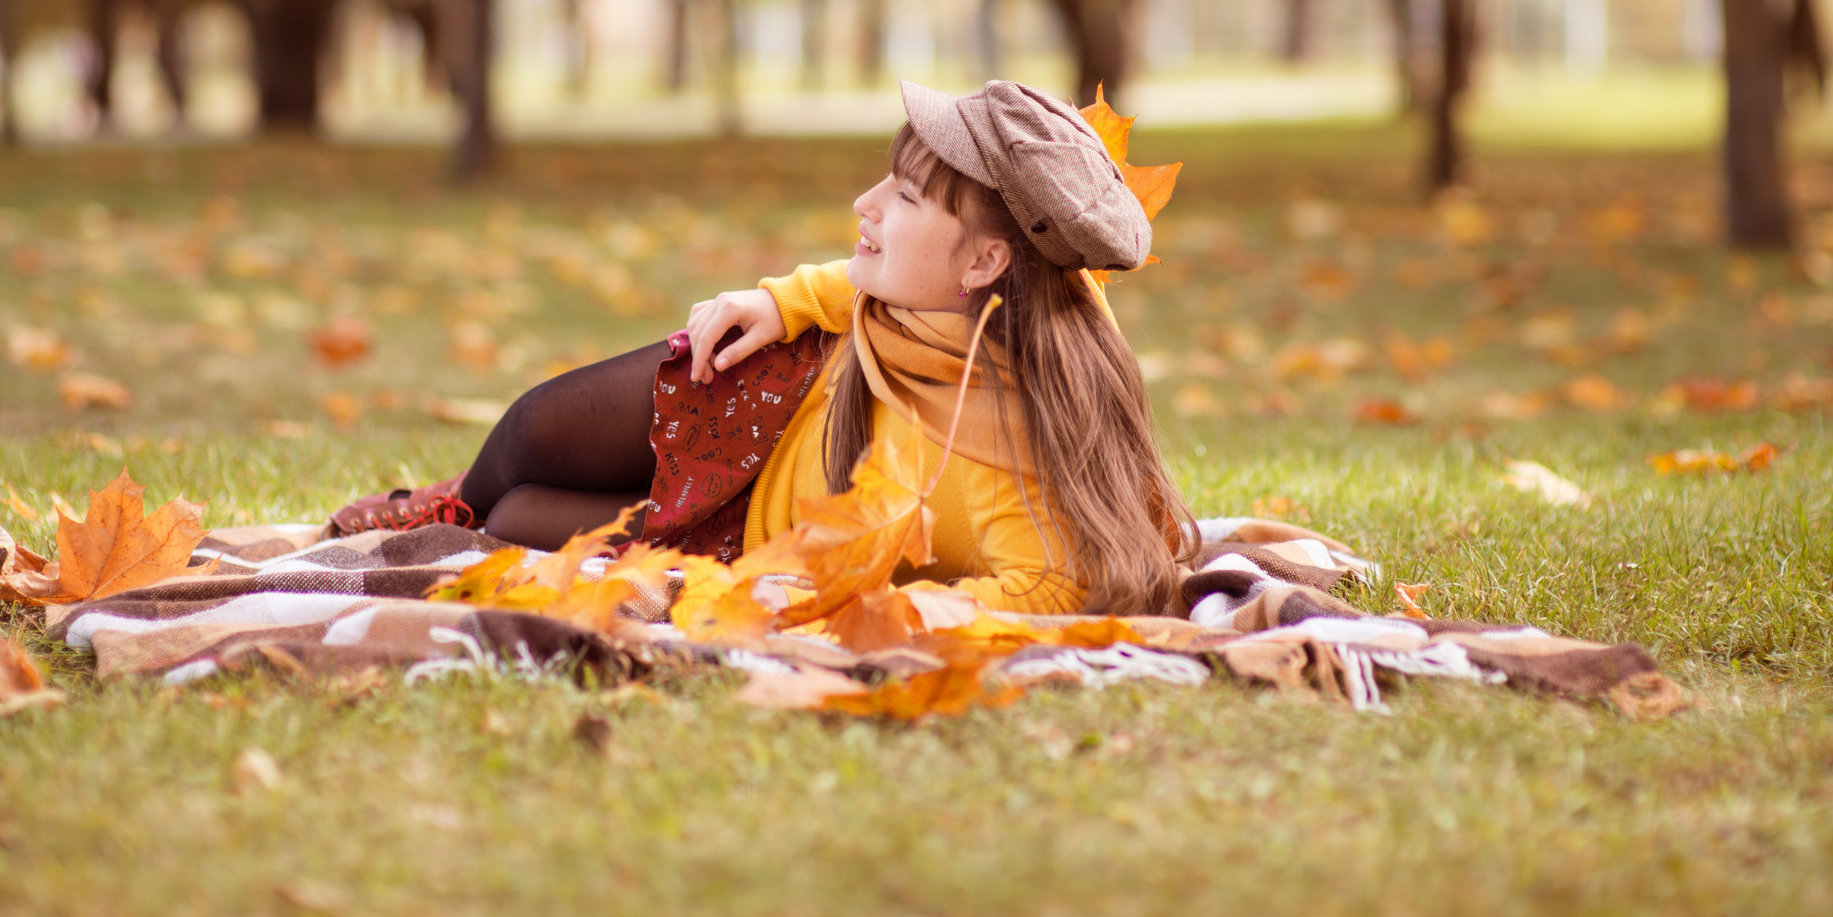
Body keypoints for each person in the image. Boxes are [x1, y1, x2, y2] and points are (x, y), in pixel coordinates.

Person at [330, 80, 1197, 615]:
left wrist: (890, 602)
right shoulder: (1027, 288)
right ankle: (448, 500)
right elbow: (864, 282)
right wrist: (781, 302)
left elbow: (1052, 583)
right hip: (788, 390)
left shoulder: (1016, 451)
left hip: (759, 535)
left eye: (903, 194)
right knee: (530, 432)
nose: (865, 202)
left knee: (520, 520)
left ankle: (485, 511)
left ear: (985, 260)